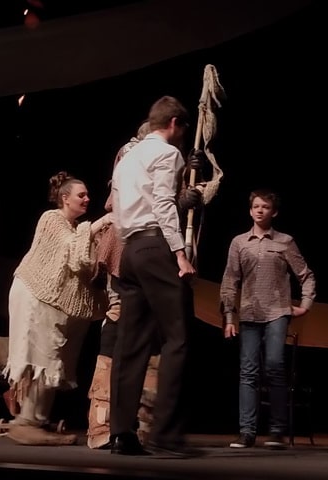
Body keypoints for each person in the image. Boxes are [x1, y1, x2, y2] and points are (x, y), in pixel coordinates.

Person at [87, 120, 205, 450]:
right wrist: (178, 249)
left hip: (133, 248)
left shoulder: (139, 156)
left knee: (135, 340)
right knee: (144, 335)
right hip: (144, 244)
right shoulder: (140, 152)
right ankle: (123, 428)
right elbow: (156, 201)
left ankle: (126, 430)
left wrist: (187, 178)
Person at [2, 171, 112, 446]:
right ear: (65, 198)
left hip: (49, 301)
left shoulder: (76, 229)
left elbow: (83, 263)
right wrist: (100, 224)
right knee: (43, 356)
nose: (87, 199)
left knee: (54, 358)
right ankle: (26, 423)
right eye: (81, 195)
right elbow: (71, 250)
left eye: (87, 195)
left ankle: (35, 420)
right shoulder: (51, 219)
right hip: (35, 294)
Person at [220, 189, 316, 449]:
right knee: (248, 370)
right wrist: (229, 316)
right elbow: (230, 280)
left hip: (277, 312)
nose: (260, 210)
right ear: (250, 210)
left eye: (265, 207)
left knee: (274, 364)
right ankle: (247, 431)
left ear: (274, 212)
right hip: (249, 312)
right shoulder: (239, 243)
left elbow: (306, 275)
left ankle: (276, 430)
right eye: (256, 206)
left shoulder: (285, 241)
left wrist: (305, 305)